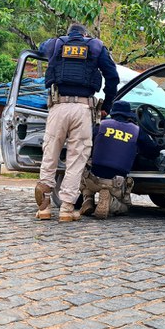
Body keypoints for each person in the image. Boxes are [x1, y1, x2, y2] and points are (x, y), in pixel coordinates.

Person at [34, 23, 120, 222]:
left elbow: (40, 48)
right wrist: (107, 105)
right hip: (83, 109)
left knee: (50, 153)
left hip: (58, 106)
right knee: (76, 159)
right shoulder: (96, 47)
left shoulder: (56, 44)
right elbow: (112, 77)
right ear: (85, 35)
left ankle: (44, 206)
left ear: (68, 34)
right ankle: (66, 209)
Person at [80, 100, 161, 219]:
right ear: (129, 115)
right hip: (116, 183)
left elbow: (85, 144)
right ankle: (111, 202)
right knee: (125, 208)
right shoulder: (136, 130)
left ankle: (88, 199)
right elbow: (152, 152)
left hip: (93, 180)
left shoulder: (100, 125)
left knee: (83, 167)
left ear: (112, 113)